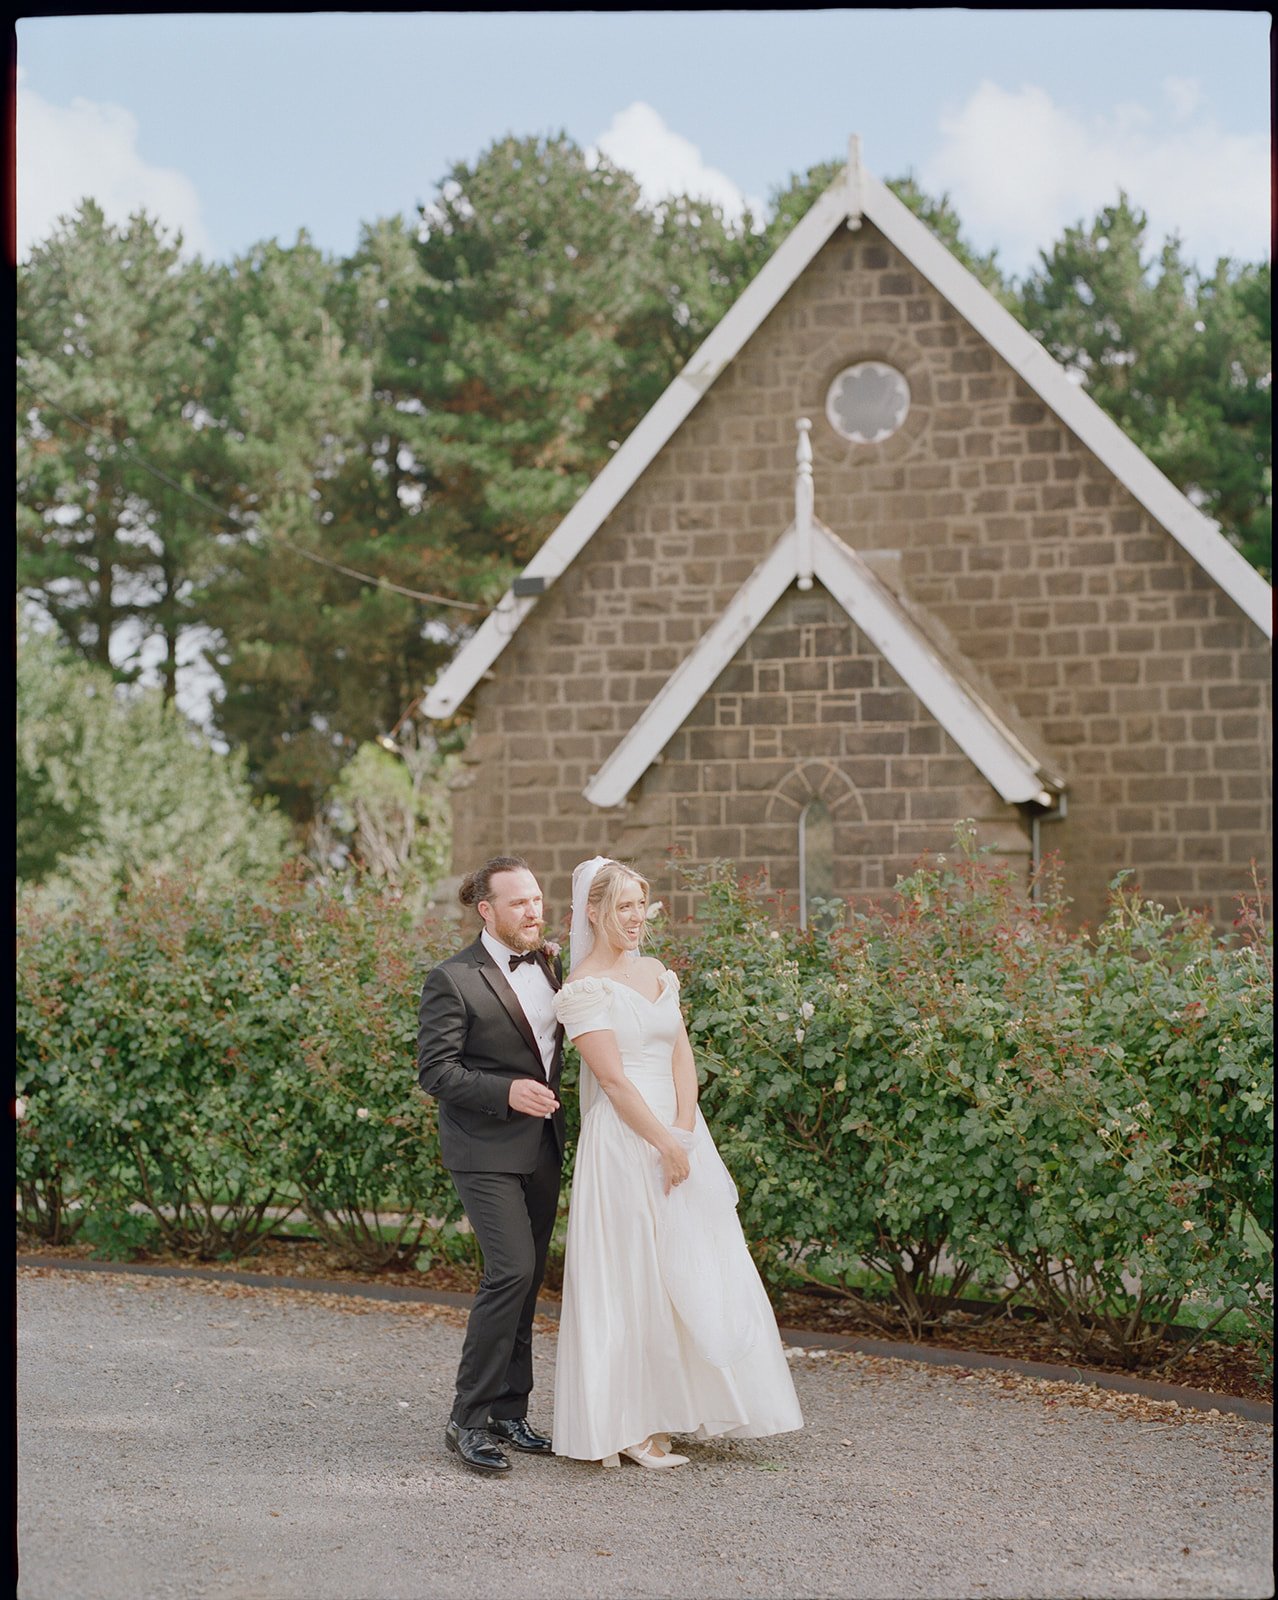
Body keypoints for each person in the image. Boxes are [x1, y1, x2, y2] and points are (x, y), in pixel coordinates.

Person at [551, 856, 803, 1468]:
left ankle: (679, 1405)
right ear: (594, 911)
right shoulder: (583, 988)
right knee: (633, 1272)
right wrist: (662, 1144)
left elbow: (681, 1053)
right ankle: (629, 1422)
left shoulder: (658, 972)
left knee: (692, 1263)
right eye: (623, 907)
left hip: (680, 1134)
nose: (636, 918)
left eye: (642, 905)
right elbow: (611, 1081)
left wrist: (685, 1132)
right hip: (626, 1142)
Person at [416, 855, 565, 1475]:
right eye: (518, 903)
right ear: (487, 910)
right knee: (510, 1270)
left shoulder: (551, 963)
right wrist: (503, 1091)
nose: (533, 910)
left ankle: (510, 1409)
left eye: (536, 899)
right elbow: (436, 1071)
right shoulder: (451, 978)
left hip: (544, 1145)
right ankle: (467, 1419)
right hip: (483, 1148)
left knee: (528, 1281)